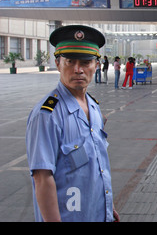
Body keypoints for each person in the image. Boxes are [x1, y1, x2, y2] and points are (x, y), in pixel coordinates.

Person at [26, 25, 119, 222]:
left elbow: (97, 164)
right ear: (58, 63)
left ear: (96, 64)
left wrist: (107, 207)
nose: (78, 70)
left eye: (85, 62)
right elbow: (42, 178)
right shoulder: (47, 115)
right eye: (70, 62)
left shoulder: (93, 107)